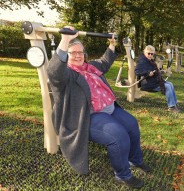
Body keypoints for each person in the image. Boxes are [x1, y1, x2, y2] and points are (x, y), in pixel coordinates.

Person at [47, 26, 151, 189]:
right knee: (118, 135)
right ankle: (122, 175)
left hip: (109, 108)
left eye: (80, 52)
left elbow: (104, 62)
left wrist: (112, 44)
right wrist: (65, 39)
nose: (78, 55)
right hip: (89, 116)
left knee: (132, 124)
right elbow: (53, 71)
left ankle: (134, 161)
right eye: (73, 53)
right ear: (66, 55)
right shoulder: (66, 75)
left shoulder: (90, 67)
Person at [135, 45, 180, 113]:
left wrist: (160, 71)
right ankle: (171, 107)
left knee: (170, 84)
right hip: (147, 84)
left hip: (153, 81)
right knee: (167, 86)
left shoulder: (150, 60)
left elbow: (154, 70)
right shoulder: (142, 61)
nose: (150, 55)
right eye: (148, 53)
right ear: (145, 52)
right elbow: (137, 72)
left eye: (152, 54)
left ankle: (175, 104)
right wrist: (147, 73)